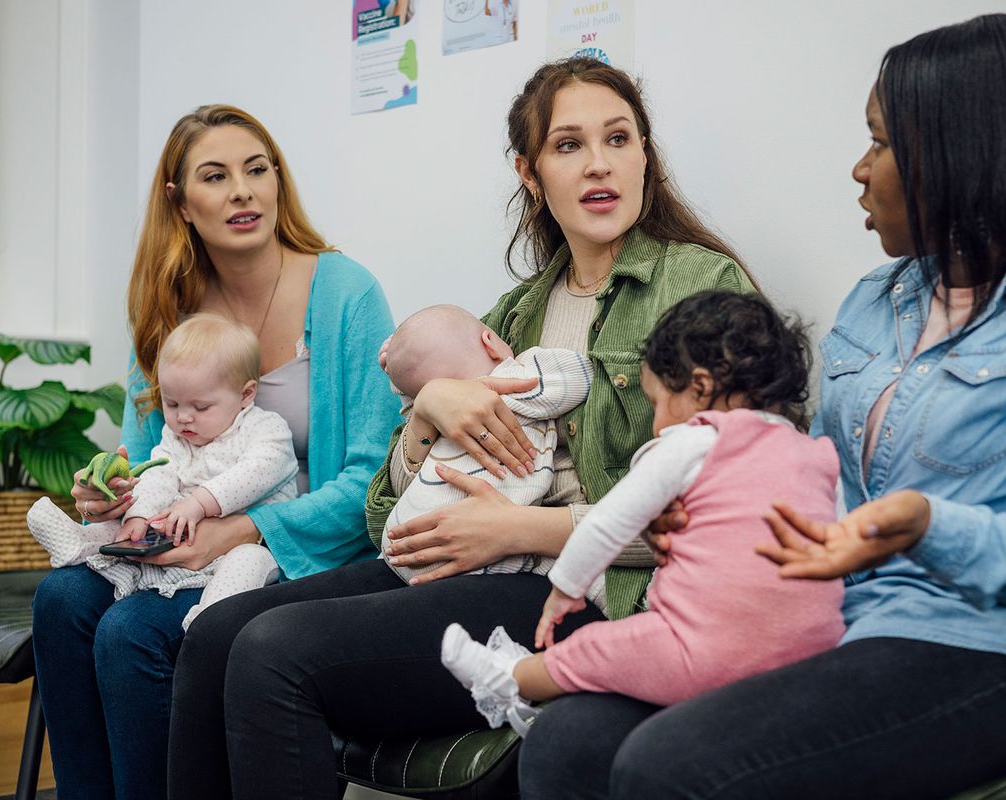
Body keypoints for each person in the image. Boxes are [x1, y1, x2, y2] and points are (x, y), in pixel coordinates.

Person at [519, 15, 1006, 799]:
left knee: (672, 766)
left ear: (963, 149)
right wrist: (708, 512)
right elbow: (813, 481)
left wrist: (932, 527)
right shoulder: (877, 299)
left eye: (882, 143)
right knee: (569, 740)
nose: (860, 171)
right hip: (850, 623)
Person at [167, 57, 757, 800]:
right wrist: (426, 415)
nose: (600, 163)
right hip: (463, 564)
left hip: (591, 592)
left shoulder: (698, 285)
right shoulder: (513, 314)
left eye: (620, 138)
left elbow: (727, 513)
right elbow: (385, 511)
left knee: (273, 653)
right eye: (569, 145)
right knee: (214, 638)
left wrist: (519, 531)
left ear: (646, 154)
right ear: (530, 172)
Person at [30, 104, 398, 800]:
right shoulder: (168, 309)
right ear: (180, 201)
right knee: (61, 599)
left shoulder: (345, 292)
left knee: (132, 630)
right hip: (187, 539)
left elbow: (372, 479)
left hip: (299, 550)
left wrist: (239, 526)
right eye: (216, 175)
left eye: (258, 170)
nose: (243, 191)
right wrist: (112, 496)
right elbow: (148, 460)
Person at [441, 290, 843, 730]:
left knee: (594, 649)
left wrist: (566, 590)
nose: (655, 424)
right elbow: (840, 546)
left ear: (700, 388)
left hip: (700, 651)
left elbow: (611, 522)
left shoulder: (692, 442)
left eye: (657, 403)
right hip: (810, 654)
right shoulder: (818, 456)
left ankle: (509, 680)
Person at [27, 313, 296, 630]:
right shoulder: (177, 438)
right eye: (172, 403)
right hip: (176, 540)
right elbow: (159, 476)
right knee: (130, 531)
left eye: (200, 407)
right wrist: (139, 515)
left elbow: (257, 472)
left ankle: (208, 622)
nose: (183, 418)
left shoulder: (266, 430)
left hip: (240, 544)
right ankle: (80, 543)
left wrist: (199, 502)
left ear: (246, 395)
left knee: (248, 562)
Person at [381, 303, 592, 584]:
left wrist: (410, 389)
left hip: (401, 543)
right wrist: (426, 404)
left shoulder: (439, 403)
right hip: (475, 560)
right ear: (491, 341)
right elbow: (583, 378)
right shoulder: (519, 380)